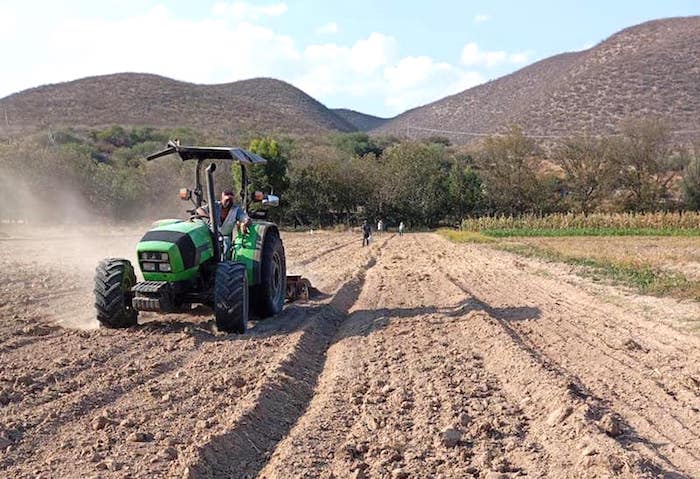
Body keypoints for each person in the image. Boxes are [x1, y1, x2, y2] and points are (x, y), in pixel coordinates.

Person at [197, 189, 252, 259]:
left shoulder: (236, 210)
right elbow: (199, 210)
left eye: (230, 200)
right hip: (210, 234)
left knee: (226, 245)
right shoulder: (214, 205)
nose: (228, 202)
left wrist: (244, 223)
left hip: (225, 236)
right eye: (227, 200)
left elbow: (245, 218)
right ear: (222, 199)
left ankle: (225, 262)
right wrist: (207, 216)